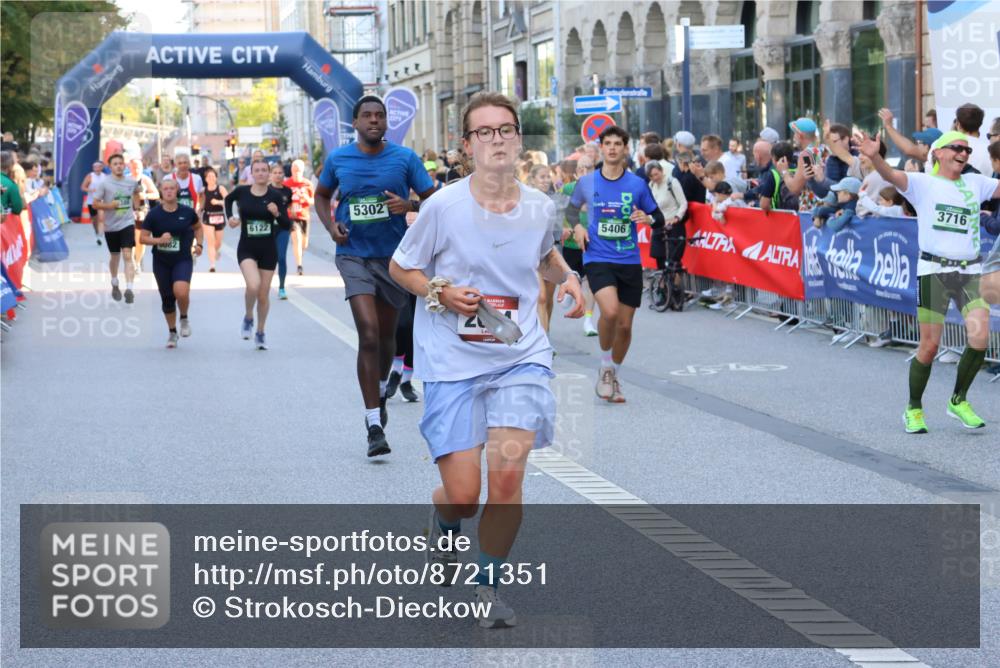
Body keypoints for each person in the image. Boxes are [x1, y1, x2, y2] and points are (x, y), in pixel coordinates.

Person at [388, 91, 584, 629]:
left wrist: (567, 280)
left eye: (505, 130)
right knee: (464, 495)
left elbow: (543, 255)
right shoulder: (442, 207)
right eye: (484, 132)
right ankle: (444, 520)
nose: (496, 140)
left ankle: (487, 587)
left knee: (505, 478)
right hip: (451, 360)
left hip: (520, 355)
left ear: (518, 138)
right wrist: (439, 294)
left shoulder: (541, 206)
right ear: (467, 143)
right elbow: (401, 267)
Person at [313, 95, 438, 457]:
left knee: (386, 338)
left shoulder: (404, 159)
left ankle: (381, 392)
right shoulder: (339, 159)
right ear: (355, 123)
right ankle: (373, 424)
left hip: (395, 259)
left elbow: (435, 199)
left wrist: (409, 205)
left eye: (379, 115)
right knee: (368, 331)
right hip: (353, 255)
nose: (373, 120)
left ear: (386, 122)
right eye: (366, 115)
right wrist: (331, 225)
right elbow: (322, 197)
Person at [858, 129, 1000, 432]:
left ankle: (958, 400)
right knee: (929, 346)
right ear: (938, 152)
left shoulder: (975, 183)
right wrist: (874, 157)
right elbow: (892, 176)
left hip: (969, 273)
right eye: (956, 148)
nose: (963, 153)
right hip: (934, 272)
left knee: (979, 339)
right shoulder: (923, 183)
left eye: (967, 150)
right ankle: (914, 408)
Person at [567, 125, 664, 403]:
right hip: (598, 257)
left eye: (617, 144)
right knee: (608, 312)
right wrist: (577, 229)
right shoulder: (588, 182)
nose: (611, 148)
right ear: (601, 147)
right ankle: (606, 364)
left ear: (625, 149)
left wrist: (648, 219)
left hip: (629, 259)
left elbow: (658, 215)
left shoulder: (636, 184)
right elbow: (571, 210)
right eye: (607, 143)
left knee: (624, 325)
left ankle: (613, 372)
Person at [224, 159, 286, 350]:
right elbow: (228, 199)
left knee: (263, 294)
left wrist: (277, 214)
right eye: (257, 170)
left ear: (268, 174)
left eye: (263, 170)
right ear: (251, 173)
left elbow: (286, 225)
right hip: (247, 248)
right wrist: (231, 218)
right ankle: (249, 316)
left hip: (268, 249)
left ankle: (260, 332)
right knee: (253, 284)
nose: (260, 173)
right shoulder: (242, 192)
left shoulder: (275, 196)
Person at [140, 177, 203, 347]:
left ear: (176, 191)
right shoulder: (154, 214)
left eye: (172, 188)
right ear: (161, 192)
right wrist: (159, 240)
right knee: (167, 297)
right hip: (161, 261)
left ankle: (183, 317)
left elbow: (198, 227)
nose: (168, 191)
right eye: (165, 188)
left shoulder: (187, 212)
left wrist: (200, 244)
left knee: (181, 291)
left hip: (182, 258)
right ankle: (172, 332)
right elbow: (143, 238)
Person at [91, 154, 141, 303]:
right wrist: (109, 206)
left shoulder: (131, 182)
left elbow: (137, 193)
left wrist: (137, 209)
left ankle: (130, 289)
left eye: (121, 163)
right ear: (110, 166)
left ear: (124, 166)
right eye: (115, 164)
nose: (119, 166)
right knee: (115, 256)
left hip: (127, 223)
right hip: (111, 226)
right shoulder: (105, 183)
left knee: (127, 254)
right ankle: (114, 282)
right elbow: (95, 204)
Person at [560, 156, 599, 336]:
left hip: (593, 243)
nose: (585, 172)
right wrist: (564, 227)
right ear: (576, 173)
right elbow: (555, 213)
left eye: (589, 168)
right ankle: (570, 291)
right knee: (572, 279)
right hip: (571, 244)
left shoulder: (601, 189)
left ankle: (588, 321)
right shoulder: (567, 189)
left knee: (591, 282)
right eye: (581, 169)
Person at [530, 164, 561, 332]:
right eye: (542, 177)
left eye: (548, 176)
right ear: (533, 179)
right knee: (539, 297)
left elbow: (562, 221)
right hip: (531, 253)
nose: (545, 180)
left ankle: (546, 331)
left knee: (548, 297)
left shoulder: (556, 198)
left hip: (552, 251)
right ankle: (542, 340)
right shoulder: (525, 199)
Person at [283, 159, 314, 276]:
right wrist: (288, 206)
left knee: (304, 244)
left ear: (302, 171)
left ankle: (299, 255)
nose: (296, 173)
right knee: (296, 238)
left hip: (304, 216)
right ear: (291, 170)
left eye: (299, 171)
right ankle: (299, 266)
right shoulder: (286, 184)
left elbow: (313, 200)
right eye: (294, 170)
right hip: (291, 217)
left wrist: (307, 200)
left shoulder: (308, 184)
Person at [128, 157, 159, 274]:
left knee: (140, 240)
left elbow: (156, 194)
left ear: (142, 168)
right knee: (129, 239)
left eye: (139, 167)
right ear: (130, 167)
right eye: (134, 167)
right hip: (127, 212)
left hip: (142, 212)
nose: (136, 169)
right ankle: (131, 262)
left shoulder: (145, 180)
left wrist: (145, 195)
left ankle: (137, 261)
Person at [269, 163, 294, 299]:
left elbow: (289, 207)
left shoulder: (287, 191)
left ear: (284, 175)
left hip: (283, 227)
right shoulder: (266, 190)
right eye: (275, 173)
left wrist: (292, 222)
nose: (278, 175)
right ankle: (264, 284)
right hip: (268, 228)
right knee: (268, 258)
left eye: (280, 173)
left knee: (281, 257)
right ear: (271, 175)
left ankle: (282, 287)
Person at [200, 166, 228, 272]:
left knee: (218, 242)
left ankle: (215, 252)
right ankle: (212, 265)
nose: (211, 178)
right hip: (207, 217)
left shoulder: (220, 189)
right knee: (211, 242)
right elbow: (201, 203)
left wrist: (218, 202)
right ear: (205, 179)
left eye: (213, 176)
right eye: (208, 176)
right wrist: (198, 211)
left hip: (219, 216)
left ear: (216, 178)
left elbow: (228, 201)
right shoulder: (203, 190)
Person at [82, 161, 105, 245]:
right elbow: (83, 187)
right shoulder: (90, 176)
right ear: (93, 168)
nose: (97, 168)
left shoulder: (104, 177)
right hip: (91, 201)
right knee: (95, 220)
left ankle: (100, 235)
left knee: (101, 218)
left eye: (99, 167)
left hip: (101, 201)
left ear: (102, 168)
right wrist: (91, 190)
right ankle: (97, 233)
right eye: (96, 167)